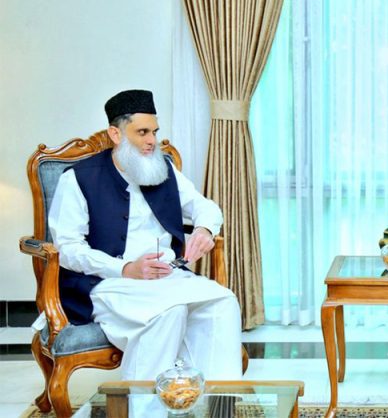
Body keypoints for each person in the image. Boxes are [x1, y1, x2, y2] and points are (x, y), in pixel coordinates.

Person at [45, 89, 242, 380]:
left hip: (168, 278)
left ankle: (214, 399)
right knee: (168, 312)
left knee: (223, 303)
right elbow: (68, 248)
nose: (152, 141)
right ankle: (144, 401)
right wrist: (125, 268)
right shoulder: (78, 178)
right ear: (115, 134)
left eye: (154, 132)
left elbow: (205, 207)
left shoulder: (163, 169)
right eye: (142, 132)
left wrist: (205, 229)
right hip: (109, 282)